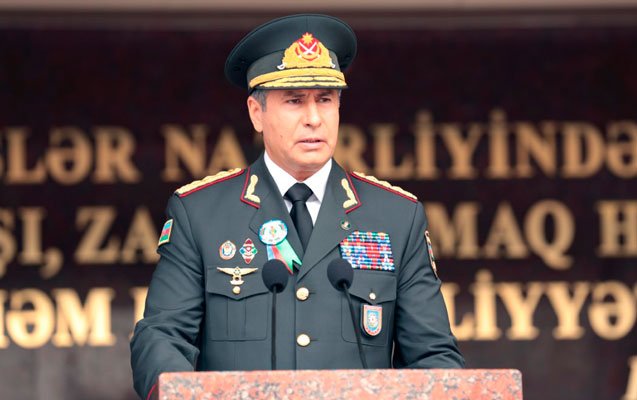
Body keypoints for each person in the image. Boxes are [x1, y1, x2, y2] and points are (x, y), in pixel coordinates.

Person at [130, 13, 464, 400]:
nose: (313, 119)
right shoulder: (200, 214)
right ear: (257, 113)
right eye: (294, 100)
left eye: (325, 100)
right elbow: (162, 337)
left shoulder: (396, 216)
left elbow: (433, 356)